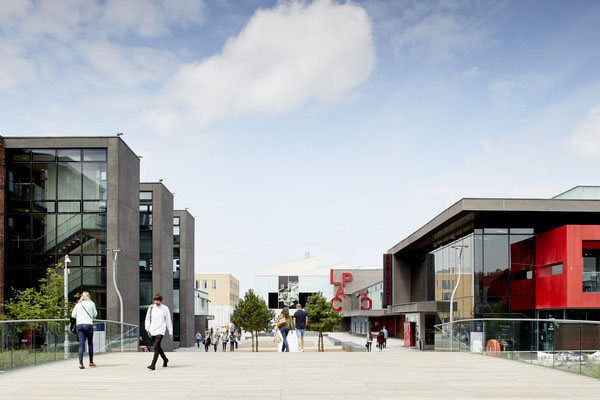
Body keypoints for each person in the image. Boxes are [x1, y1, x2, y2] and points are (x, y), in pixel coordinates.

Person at [144, 293, 173, 370]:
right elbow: (147, 319)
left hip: (161, 330)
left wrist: (170, 331)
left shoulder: (165, 308)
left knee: (156, 346)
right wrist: (147, 329)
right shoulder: (151, 308)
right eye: (155, 300)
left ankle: (153, 364)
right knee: (157, 347)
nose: (157, 302)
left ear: (161, 301)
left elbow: (168, 320)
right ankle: (165, 359)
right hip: (152, 330)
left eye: (158, 300)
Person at [71, 291, 98, 369]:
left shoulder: (78, 305)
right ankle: (91, 362)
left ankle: (81, 363)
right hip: (88, 325)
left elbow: (73, 315)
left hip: (79, 325)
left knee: (81, 344)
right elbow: (95, 314)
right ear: (89, 296)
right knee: (90, 343)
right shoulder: (91, 303)